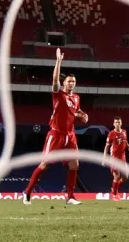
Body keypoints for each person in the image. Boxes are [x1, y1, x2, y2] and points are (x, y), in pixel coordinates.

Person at [23, 48, 88, 205]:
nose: (71, 83)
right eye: (69, 81)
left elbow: (76, 110)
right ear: (64, 82)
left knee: (75, 164)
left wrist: (83, 115)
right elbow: (54, 81)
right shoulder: (58, 94)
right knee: (44, 165)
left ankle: (70, 196)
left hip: (70, 135)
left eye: (73, 81)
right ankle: (27, 193)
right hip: (56, 134)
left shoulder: (76, 97)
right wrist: (58, 62)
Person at [102, 116, 129, 201]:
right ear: (113, 124)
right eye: (116, 122)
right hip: (114, 158)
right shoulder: (111, 133)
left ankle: (114, 188)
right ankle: (115, 195)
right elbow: (107, 146)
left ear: (121, 123)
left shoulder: (124, 132)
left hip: (123, 158)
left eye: (119, 122)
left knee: (125, 177)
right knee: (117, 176)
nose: (117, 124)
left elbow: (125, 141)